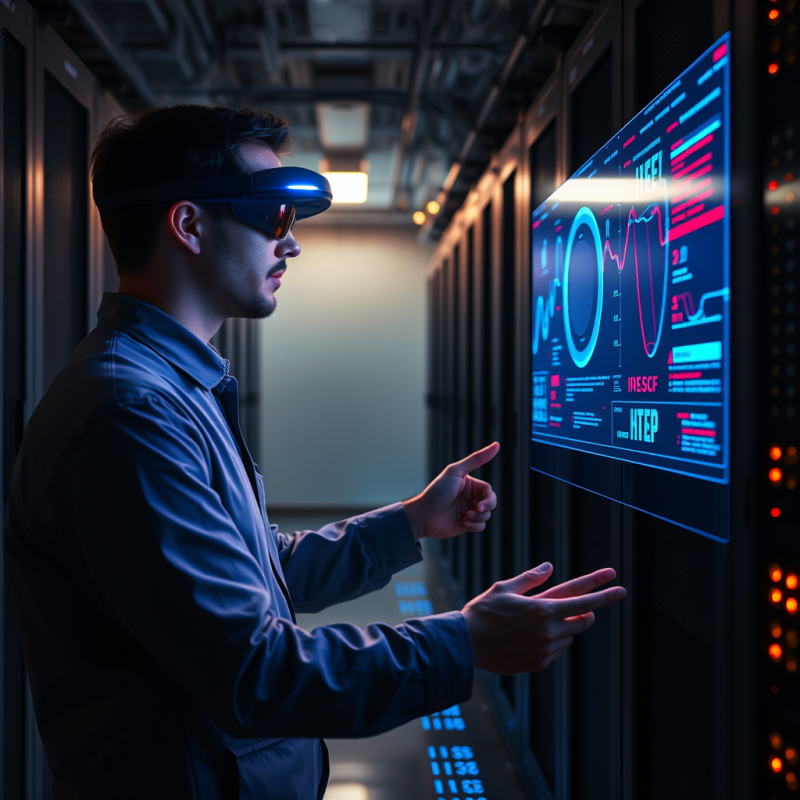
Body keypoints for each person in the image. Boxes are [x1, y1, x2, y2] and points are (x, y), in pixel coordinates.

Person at [3, 105, 626, 800]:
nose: (291, 245)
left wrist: (411, 522)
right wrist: (464, 641)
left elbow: (258, 573)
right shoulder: (130, 411)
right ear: (188, 225)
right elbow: (252, 671)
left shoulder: (169, 388)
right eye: (272, 215)